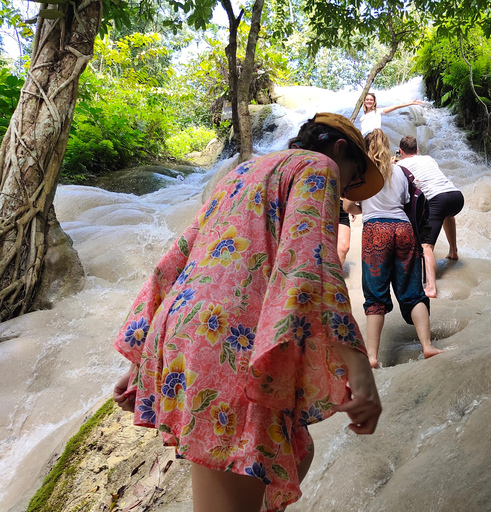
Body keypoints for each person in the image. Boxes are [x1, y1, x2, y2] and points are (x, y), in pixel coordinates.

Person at [111, 113, 384, 512]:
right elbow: (311, 264)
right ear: (339, 149)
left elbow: (182, 256)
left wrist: (143, 355)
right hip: (231, 342)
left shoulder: (242, 172)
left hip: (185, 336)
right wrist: (359, 370)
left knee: (293, 452)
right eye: (355, 179)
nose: (350, 191)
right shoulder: (318, 166)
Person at [343, 129, 443, 368]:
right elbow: (408, 203)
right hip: (403, 229)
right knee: (412, 290)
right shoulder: (400, 170)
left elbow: (347, 205)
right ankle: (427, 346)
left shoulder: (362, 172)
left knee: (375, 296)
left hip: (376, 231)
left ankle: (372, 357)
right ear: (388, 148)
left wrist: (363, 210)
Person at [398, 135, 464, 298]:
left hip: (437, 199)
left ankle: (431, 287)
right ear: (417, 150)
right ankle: (453, 251)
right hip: (456, 196)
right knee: (448, 215)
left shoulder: (400, 165)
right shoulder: (428, 158)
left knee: (426, 247)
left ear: (400, 151)